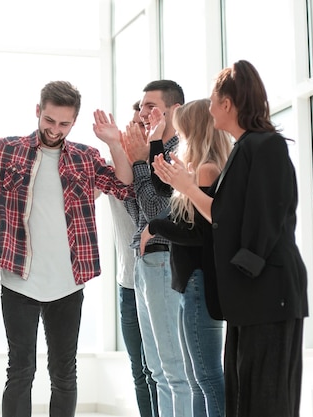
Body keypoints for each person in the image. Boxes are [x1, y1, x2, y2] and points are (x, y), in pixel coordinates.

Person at [0, 80, 134, 417]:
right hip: (18, 278)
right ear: (38, 111)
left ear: (74, 122)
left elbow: (123, 185)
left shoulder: (85, 157)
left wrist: (114, 144)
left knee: (64, 374)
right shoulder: (8, 150)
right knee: (20, 371)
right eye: (49, 121)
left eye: (64, 124)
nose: (55, 129)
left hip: (68, 281)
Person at [152, 60, 308, 417]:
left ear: (227, 104)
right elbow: (223, 218)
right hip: (249, 295)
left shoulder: (266, 146)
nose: (207, 108)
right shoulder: (244, 149)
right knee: (244, 396)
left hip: (268, 294)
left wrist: (189, 187)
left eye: (211, 100)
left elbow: (264, 220)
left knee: (267, 398)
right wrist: (187, 187)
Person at [141, 99, 231, 417]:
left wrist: (154, 227)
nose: (179, 137)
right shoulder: (199, 169)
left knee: (205, 378)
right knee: (197, 379)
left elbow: (197, 233)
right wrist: (155, 139)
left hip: (199, 281)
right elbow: (161, 187)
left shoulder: (207, 169)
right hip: (191, 283)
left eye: (181, 131)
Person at [115, 80, 190, 417]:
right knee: (156, 369)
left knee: (174, 369)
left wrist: (142, 163)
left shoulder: (177, 152)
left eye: (150, 106)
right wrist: (136, 160)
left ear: (174, 110)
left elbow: (159, 214)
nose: (143, 113)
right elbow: (138, 214)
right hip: (144, 262)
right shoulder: (149, 150)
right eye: (142, 106)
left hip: (164, 261)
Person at [106, 101, 158, 417]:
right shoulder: (116, 166)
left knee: (158, 370)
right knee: (139, 370)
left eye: (142, 127)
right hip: (127, 284)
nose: (135, 133)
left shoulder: (157, 169)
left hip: (157, 279)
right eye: (132, 127)